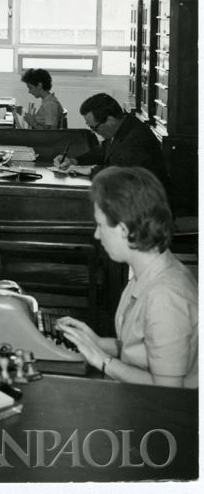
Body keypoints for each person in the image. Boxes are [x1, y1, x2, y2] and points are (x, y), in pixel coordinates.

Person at [57, 166, 197, 387]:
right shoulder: (150, 271)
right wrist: (97, 342)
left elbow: (169, 390)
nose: (96, 234)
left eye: (100, 225)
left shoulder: (165, 296)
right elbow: (142, 349)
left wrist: (102, 360)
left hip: (162, 406)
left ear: (123, 230)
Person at [52, 92, 170, 186]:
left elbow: (121, 174)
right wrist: (74, 161)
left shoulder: (138, 139)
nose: (93, 132)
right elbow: (102, 152)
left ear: (110, 120)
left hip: (144, 202)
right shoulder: (122, 127)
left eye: (95, 128)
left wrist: (91, 170)